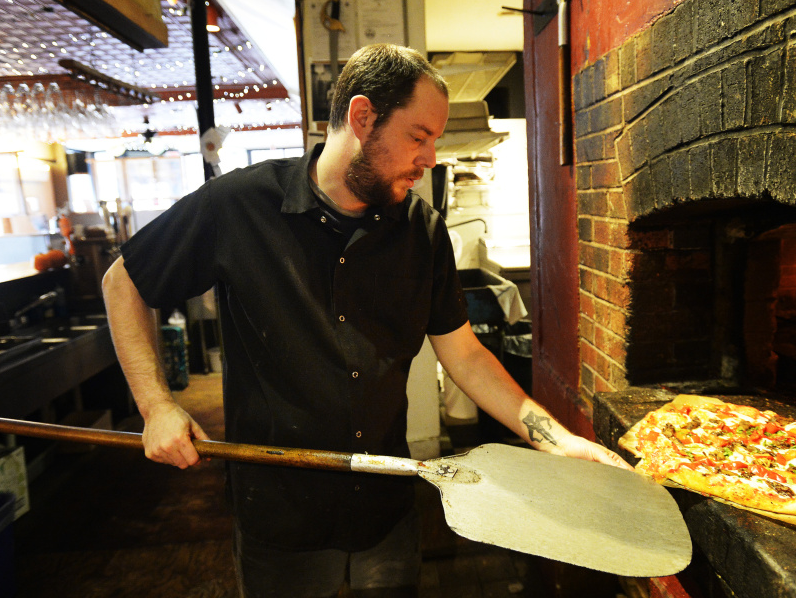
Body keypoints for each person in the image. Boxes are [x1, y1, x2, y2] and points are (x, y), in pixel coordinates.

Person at [102, 44, 630, 598]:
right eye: (418, 136)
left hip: (385, 502)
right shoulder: (240, 206)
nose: (430, 159)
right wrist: (156, 406)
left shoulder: (421, 230)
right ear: (362, 117)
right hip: (284, 515)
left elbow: (465, 355)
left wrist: (555, 440)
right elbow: (125, 281)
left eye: (435, 142)